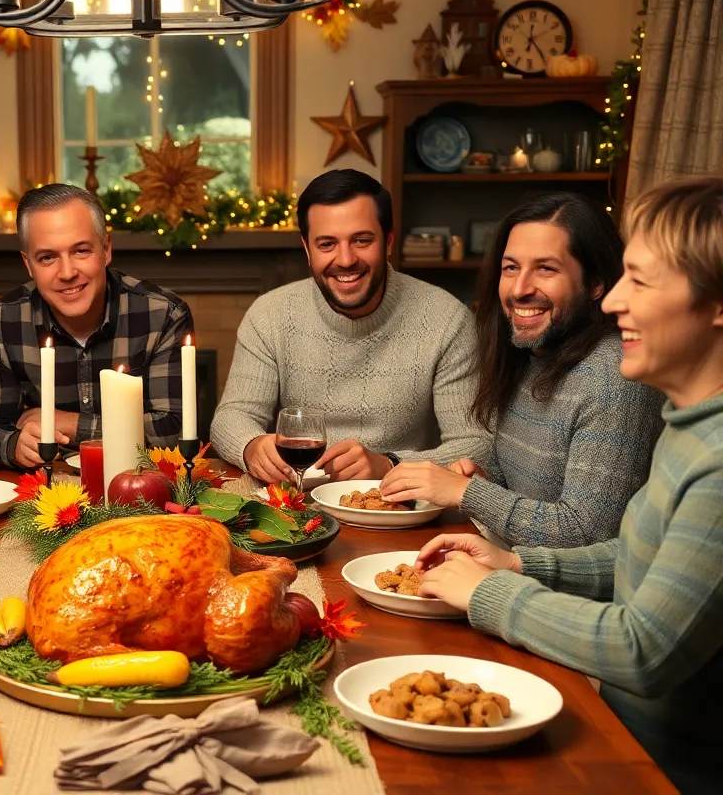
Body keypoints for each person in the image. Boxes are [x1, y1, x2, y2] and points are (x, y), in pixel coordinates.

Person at [414, 177, 723, 794]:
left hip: (654, 766)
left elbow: (645, 650)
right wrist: (521, 561)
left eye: (642, 280)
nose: (613, 304)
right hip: (603, 714)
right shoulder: (689, 423)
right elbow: (636, 554)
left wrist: (492, 592)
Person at [380, 193, 664, 548]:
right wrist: (482, 479)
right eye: (511, 267)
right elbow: (521, 483)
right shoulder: (530, 356)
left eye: (546, 269)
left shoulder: (614, 379)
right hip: (509, 567)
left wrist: (470, 493)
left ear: (595, 284)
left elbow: (587, 534)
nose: (519, 289)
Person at [210, 169, 491, 483]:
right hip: (297, 505)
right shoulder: (270, 314)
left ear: (388, 241)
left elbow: (477, 444)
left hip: (397, 506)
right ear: (307, 248)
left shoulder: (446, 319)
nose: (345, 260)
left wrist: (389, 465)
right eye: (327, 244)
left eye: (361, 240)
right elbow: (231, 417)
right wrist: (252, 446)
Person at [0, 183, 194, 469]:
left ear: (106, 249)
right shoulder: (0, 324)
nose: (67, 273)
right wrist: (15, 445)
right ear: (28, 264)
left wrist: (69, 423)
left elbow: (173, 430)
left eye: (81, 251)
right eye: (47, 257)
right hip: (48, 491)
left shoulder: (162, 315)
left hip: (142, 481)